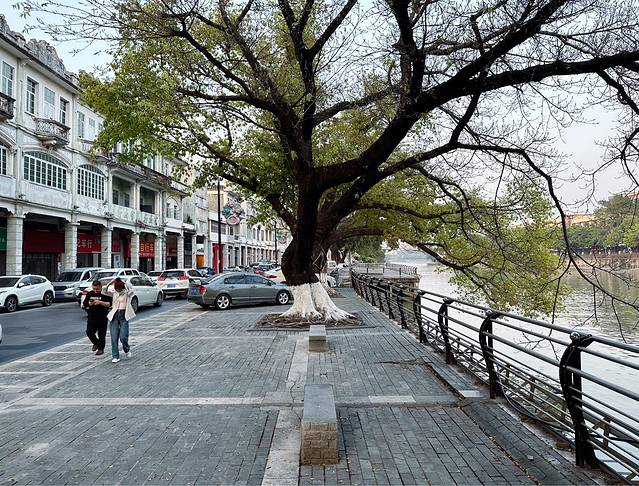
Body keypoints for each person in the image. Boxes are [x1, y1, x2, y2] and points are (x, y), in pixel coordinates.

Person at [106, 277, 136, 363]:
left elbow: (132, 290)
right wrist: (110, 283)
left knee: (123, 337)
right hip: (114, 316)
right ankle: (115, 356)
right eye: (117, 288)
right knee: (114, 337)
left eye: (120, 288)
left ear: (123, 287)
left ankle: (126, 349)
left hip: (124, 316)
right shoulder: (114, 293)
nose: (118, 290)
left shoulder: (127, 293)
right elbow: (104, 291)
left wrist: (124, 282)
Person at [82, 280, 112, 356]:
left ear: (101, 287)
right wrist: (89, 303)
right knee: (89, 332)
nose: (96, 290)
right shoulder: (90, 293)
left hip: (102, 317)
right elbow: (85, 303)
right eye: (94, 289)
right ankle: (96, 343)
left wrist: (100, 302)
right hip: (92, 317)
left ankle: (101, 349)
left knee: (101, 334)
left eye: (97, 289)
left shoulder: (105, 294)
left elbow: (109, 304)